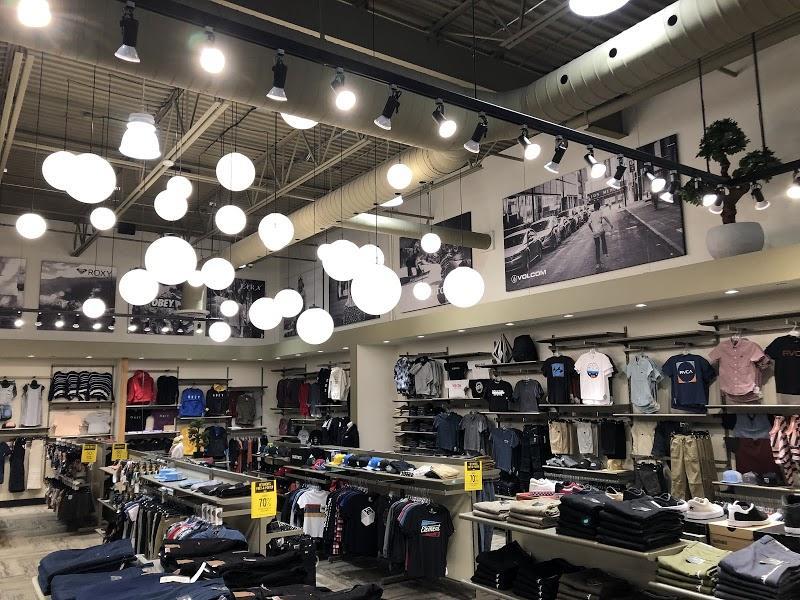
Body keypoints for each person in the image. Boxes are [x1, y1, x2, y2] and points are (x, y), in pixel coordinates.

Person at [587, 201, 614, 272]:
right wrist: (610, 224)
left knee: (597, 247)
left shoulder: (591, 214)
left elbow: (589, 224)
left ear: (594, 208)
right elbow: (605, 218)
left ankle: (598, 263)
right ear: (599, 207)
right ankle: (605, 252)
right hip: (601, 230)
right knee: (603, 240)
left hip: (595, 232)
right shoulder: (600, 212)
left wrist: (592, 230)